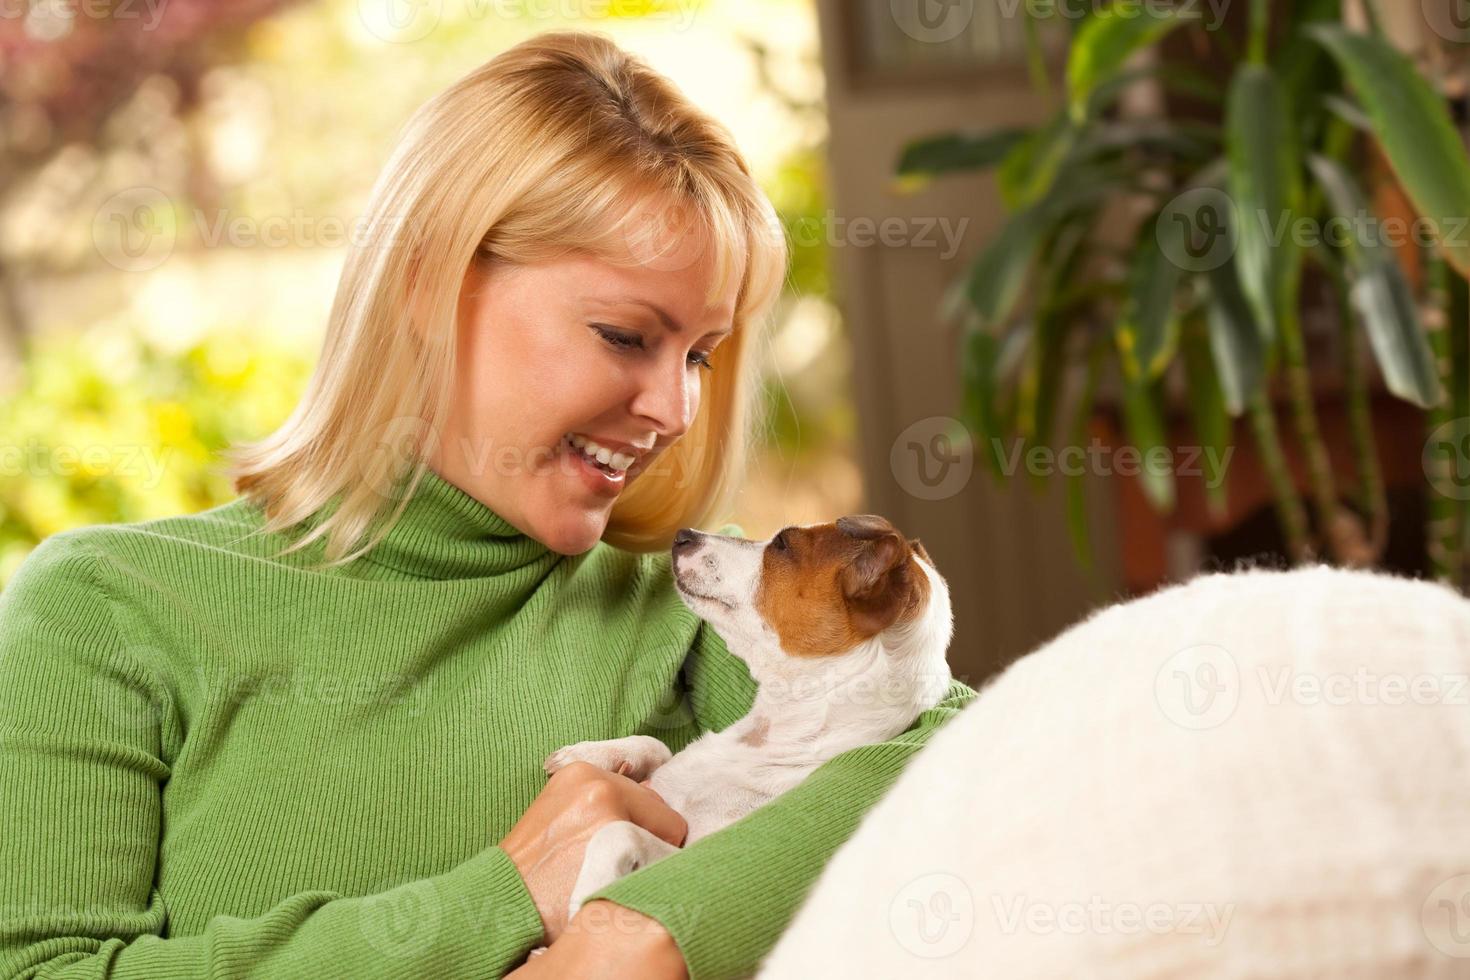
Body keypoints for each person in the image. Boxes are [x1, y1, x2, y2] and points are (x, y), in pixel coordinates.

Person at [0, 31, 975, 979]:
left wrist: (649, 933)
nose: (677, 408)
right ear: (427, 280)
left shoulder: (686, 613)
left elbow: (964, 759)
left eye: (700, 354)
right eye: (625, 333)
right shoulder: (105, 608)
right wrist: (502, 896)